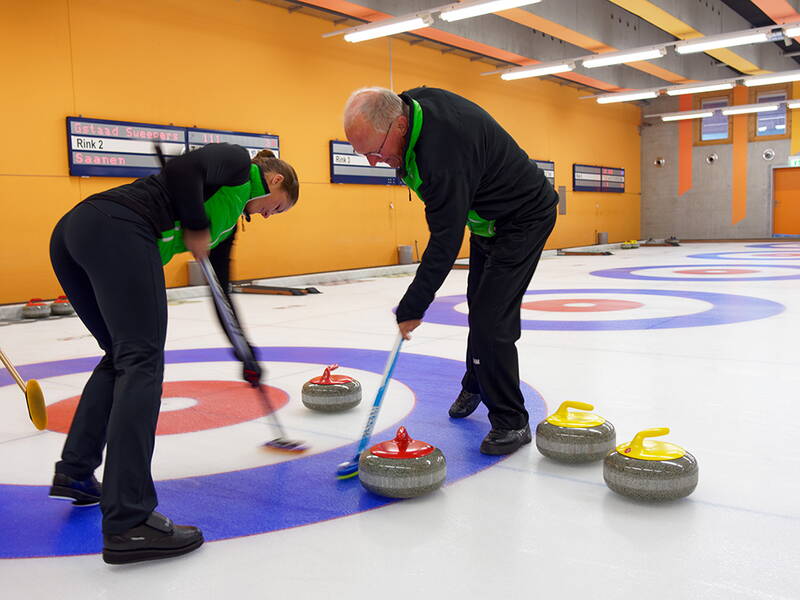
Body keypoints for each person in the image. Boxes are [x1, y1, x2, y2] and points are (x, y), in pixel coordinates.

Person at [47, 143, 299, 564]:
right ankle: (130, 522)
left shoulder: (224, 226)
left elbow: (222, 297)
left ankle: (75, 471)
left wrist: (244, 352)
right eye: (279, 207)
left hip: (78, 234)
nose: (270, 215)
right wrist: (196, 223)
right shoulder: (236, 163)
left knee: (121, 356)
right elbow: (184, 168)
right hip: (117, 226)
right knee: (142, 360)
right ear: (275, 181)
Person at [344, 86, 557, 456]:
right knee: (479, 304)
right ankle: (477, 381)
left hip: (524, 217)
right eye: (365, 156)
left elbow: (444, 243)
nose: (374, 163)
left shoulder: (442, 153)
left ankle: (511, 421)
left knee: (493, 319)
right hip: (486, 219)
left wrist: (413, 305)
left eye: (375, 152)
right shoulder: (405, 110)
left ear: (397, 125)